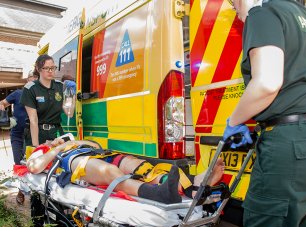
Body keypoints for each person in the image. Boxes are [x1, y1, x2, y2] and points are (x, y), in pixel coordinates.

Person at [223, 0, 306, 227]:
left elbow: (267, 82)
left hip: (291, 145)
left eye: (233, 5)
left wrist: (234, 122)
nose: (236, 12)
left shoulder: (263, 12)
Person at [26, 138, 225, 204]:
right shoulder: (42, 151)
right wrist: (56, 148)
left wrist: (74, 141)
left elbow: (94, 144)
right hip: (74, 161)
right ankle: (157, 194)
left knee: (141, 167)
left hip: (99, 153)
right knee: (110, 172)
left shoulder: (71, 141)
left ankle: (192, 186)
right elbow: (34, 166)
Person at [20, 54, 76, 147]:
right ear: (38, 69)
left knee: (59, 160)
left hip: (57, 133)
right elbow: (33, 120)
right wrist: (35, 146)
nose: (51, 71)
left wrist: (71, 96)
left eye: (53, 68)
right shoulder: (30, 89)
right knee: (40, 160)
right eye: (46, 68)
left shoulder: (60, 86)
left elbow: (69, 113)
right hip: (38, 133)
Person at [0, 70, 37, 204]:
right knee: (18, 162)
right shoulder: (18, 93)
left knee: (32, 164)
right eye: (31, 80)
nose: (33, 83)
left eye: (35, 80)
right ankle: (20, 191)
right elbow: (2, 103)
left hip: (32, 135)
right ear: (27, 80)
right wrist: (5, 115)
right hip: (17, 134)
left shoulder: (39, 96)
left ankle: (34, 194)